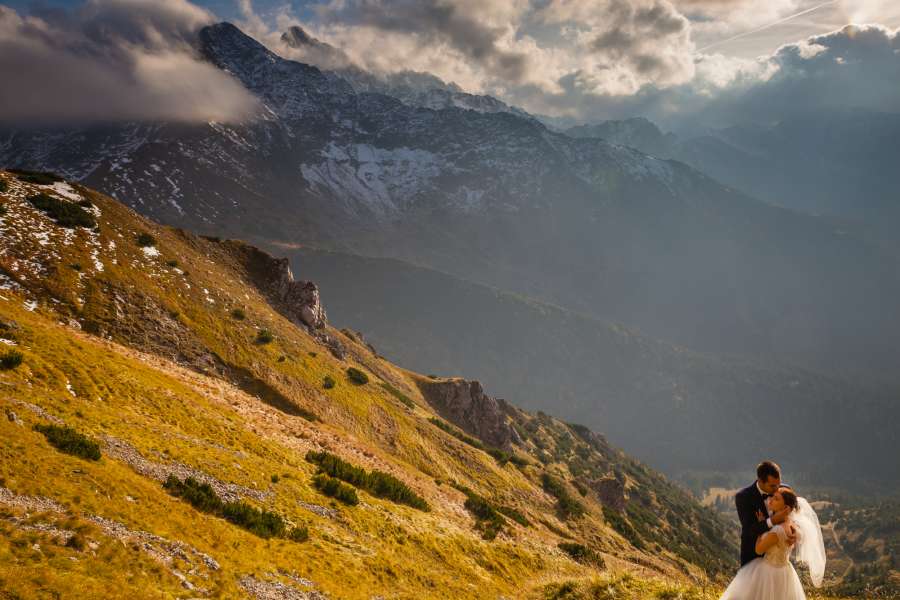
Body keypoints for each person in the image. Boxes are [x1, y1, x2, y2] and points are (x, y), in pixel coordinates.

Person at [720, 465, 827, 599]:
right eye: (772, 486)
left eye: (778, 484)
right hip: (753, 556)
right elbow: (749, 529)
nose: (777, 488)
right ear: (760, 480)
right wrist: (772, 521)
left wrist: (795, 533)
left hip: (778, 562)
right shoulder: (743, 497)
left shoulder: (782, 489)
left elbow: (796, 516)